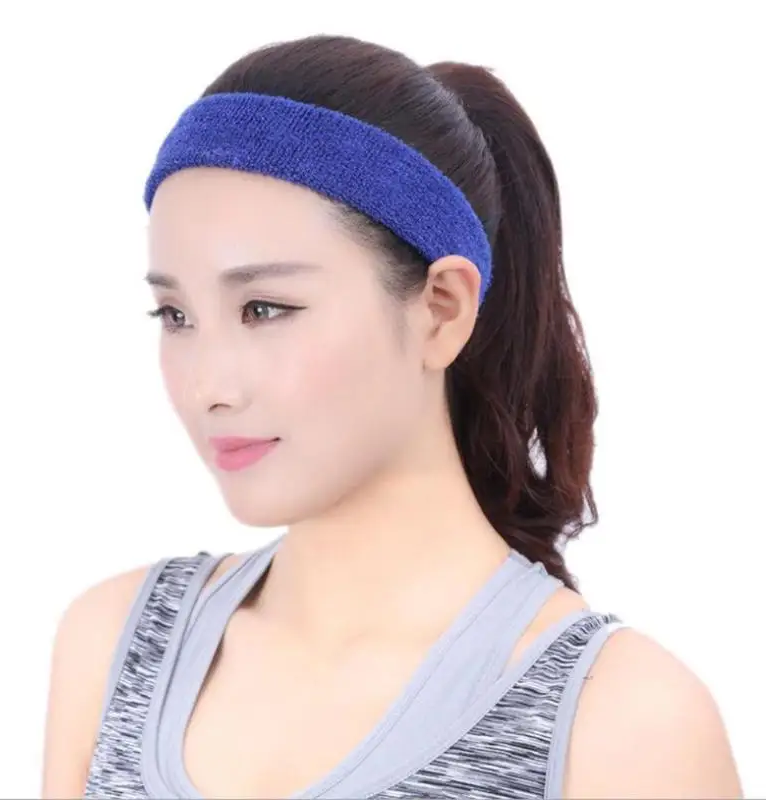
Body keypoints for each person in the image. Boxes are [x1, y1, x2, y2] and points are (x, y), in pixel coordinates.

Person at [41, 34, 742, 800]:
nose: (208, 384)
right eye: (175, 315)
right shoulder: (114, 650)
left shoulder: (625, 725)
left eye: (264, 308)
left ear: (442, 309)